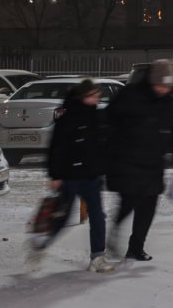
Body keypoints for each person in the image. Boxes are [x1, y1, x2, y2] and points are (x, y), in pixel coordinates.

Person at [30, 79, 114, 273]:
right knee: (61, 217)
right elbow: (56, 149)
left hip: (92, 176)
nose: (97, 99)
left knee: (98, 216)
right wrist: (55, 176)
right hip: (69, 177)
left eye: (97, 96)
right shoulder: (67, 119)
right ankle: (40, 246)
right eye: (93, 96)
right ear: (83, 97)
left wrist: (104, 164)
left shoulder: (97, 117)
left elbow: (103, 144)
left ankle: (97, 257)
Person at [105, 59, 173, 262]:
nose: (164, 90)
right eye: (161, 85)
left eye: (168, 86)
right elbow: (109, 122)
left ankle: (136, 247)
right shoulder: (130, 95)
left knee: (148, 206)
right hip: (127, 160)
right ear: (151, 81)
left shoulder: (170, 101)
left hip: (154, 162)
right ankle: (114, 232)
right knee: (129, 201)